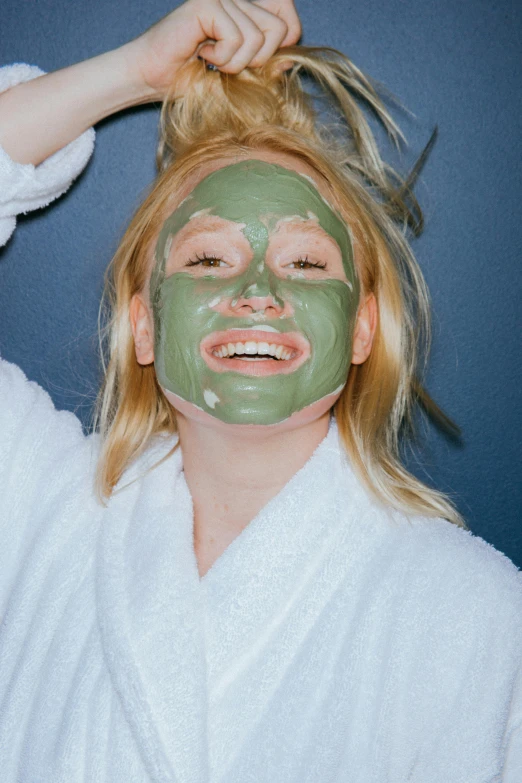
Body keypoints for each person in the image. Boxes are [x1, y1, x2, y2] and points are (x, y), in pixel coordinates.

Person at [0, 1, 521, 780]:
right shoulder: (37, 509)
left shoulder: (473, 611)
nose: (257, 290)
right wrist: (131, 73)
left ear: (361, 330)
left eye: (307, 264)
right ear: (144, 325)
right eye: (208, 260)